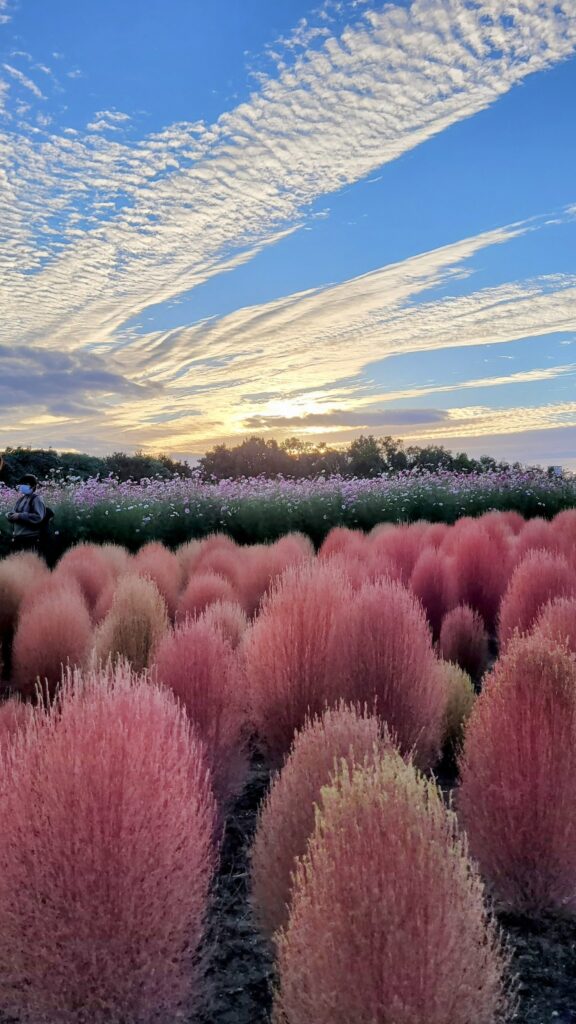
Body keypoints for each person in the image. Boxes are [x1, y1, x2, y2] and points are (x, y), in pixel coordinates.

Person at [6, 474, 46, 554]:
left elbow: (38, 517)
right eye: (22, 484)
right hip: (18, 537)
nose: (23, 486)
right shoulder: (21, 499)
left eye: (26, 484)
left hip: (30, 537)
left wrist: (20, 516)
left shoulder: (36, 499)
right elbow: (14, 512)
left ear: (33, 486)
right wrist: (9, 515)